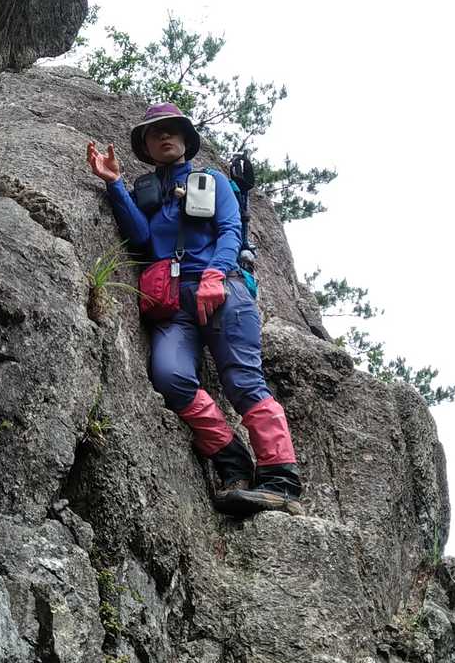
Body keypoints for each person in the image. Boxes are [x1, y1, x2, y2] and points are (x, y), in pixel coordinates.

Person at [86, 101, 302, 515]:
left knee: (242, 380)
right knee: (169, 375)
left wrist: (216, 275)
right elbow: (143, 241)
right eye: (155, 132)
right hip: (172, 300)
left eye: (173, 129)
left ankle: (280, 479)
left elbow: (230, 229)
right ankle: (233, 462)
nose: (165, 135)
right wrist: (115, 185)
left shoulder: (213, 180)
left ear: (186, 139)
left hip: (224, 289)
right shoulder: (147, 192)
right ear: (146, 146)